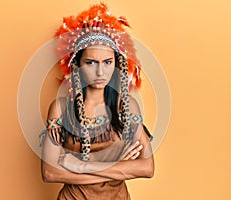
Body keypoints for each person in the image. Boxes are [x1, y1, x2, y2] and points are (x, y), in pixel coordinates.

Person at [39, 3, 154, 199]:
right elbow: (50, 173)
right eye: (91, 62)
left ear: (116, 64)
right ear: (77, 65)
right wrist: (119, 169)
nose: (101, 72)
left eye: (107, 62)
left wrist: (81, 166)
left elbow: (147, 168)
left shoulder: (126, 107)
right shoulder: (60, 109)